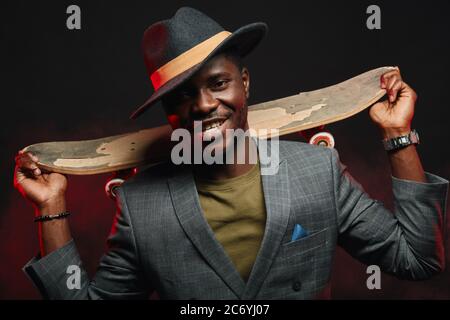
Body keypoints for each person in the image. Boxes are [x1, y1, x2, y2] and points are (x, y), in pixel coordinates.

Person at [14, 7, 448, 300]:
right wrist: (51, 208)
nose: (203, 105)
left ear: (245, 83)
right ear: (169, 112)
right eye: (183, 96)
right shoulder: (141, 205)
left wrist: (398, 134)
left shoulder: (317, 171)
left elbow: (420, 258)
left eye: (217, 84)